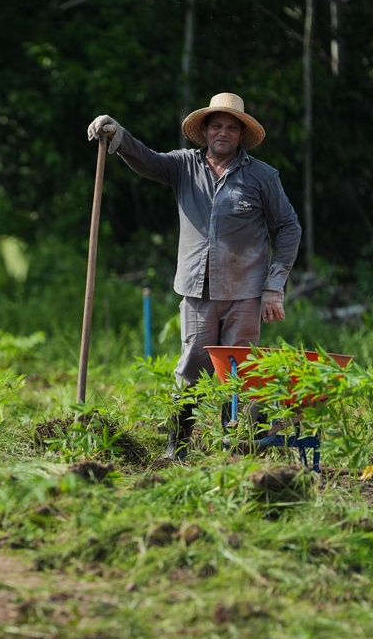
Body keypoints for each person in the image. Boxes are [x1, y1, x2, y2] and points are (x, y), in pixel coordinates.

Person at [87, 92, 301, 460]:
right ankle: (177, 450)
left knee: (241, 374)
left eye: (231, 128)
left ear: (240, 135)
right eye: (216, 125)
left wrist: (274, 286)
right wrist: (117, 135)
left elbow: (289, 227)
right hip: (197, 292)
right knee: (192, 368)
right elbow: (146, 159)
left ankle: (240, 450)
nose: (223, 132)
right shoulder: (183, 166)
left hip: (245, 293)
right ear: (204, 131)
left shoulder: (262, 177)